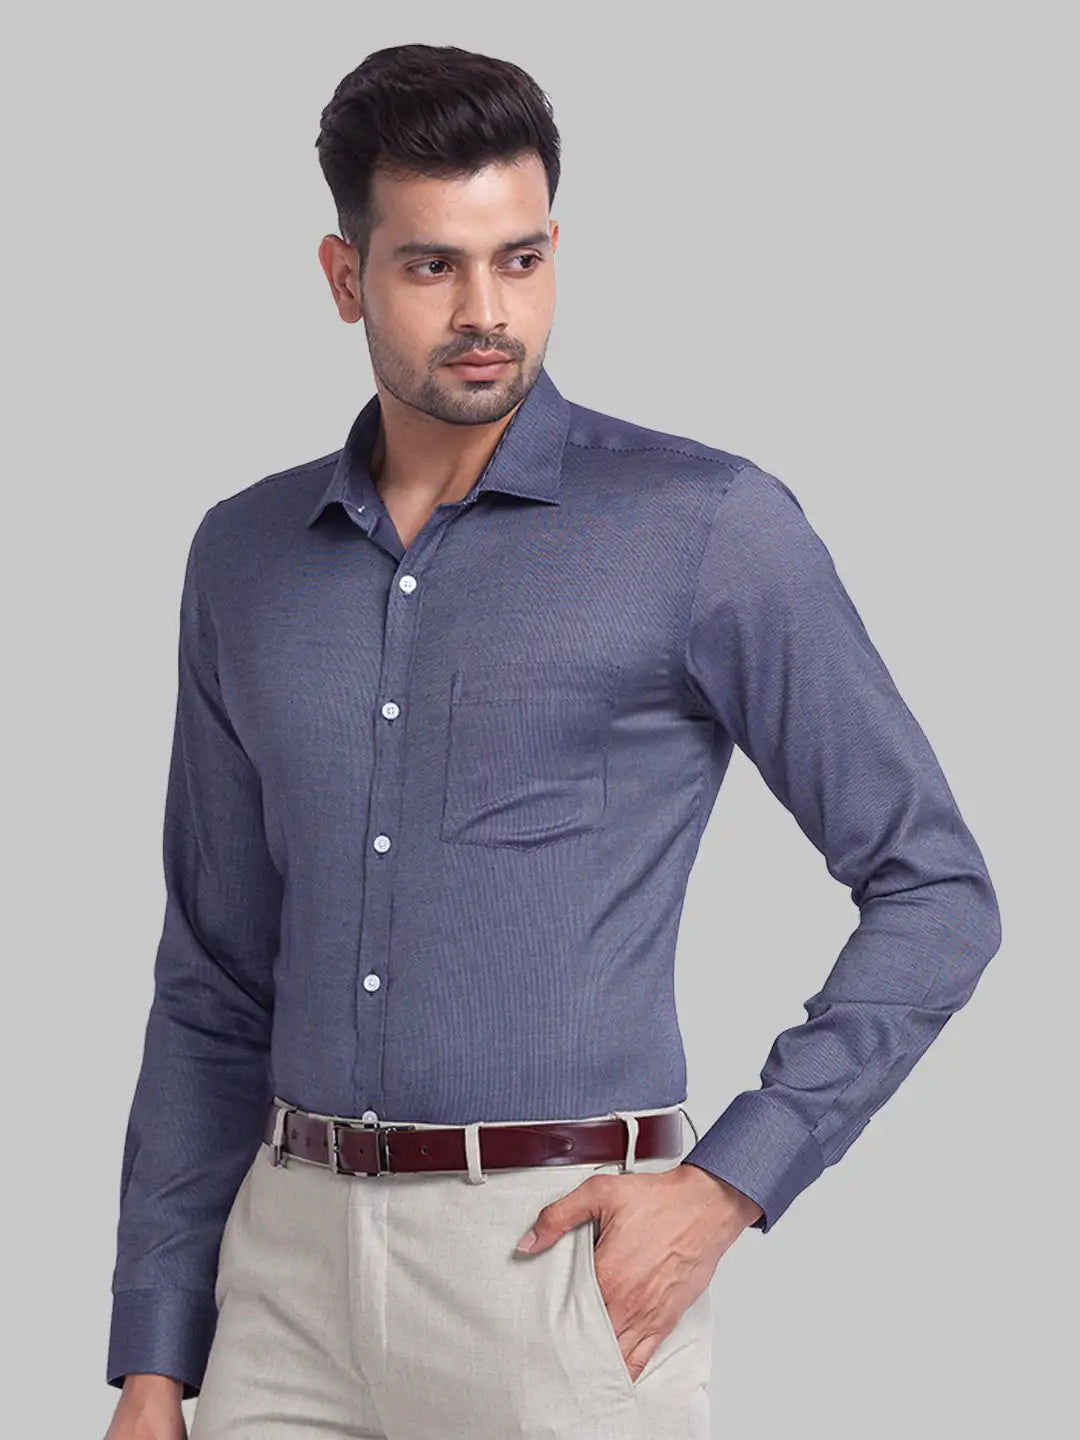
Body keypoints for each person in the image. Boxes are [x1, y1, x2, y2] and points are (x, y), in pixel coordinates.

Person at [103, 41, 1002, 1440]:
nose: (486, 311)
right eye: (431, 266)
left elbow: (936, 889)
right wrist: (156, 1354)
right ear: (344, 277)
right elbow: (212, 976)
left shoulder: (702, 529)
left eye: (519, 260)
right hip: (279, 1279)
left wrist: (733, 1181)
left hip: (554, 1268)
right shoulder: (243, 558)